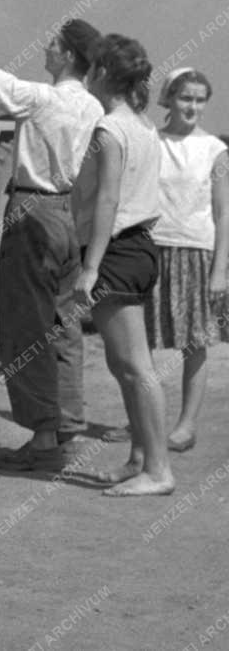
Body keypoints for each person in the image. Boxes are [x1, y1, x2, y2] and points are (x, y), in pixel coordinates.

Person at [0, 0, 102, 470]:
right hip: (75, 216)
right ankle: (67, 427)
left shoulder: (42, 99)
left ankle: (44, 442)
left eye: (54, 42)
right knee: (64, 327)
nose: (46, 47)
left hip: (33, 215)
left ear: (68, 55)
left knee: (26, 329)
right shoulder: (94, 108)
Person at [72, 34, 174, 496]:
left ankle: (158, 471)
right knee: (123, 364)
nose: (86, 76)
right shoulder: (143, 126)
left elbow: (108, 200)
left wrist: (90, 267)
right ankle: (140, 458)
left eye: (92, 68)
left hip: (118, 252)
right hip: (139, 249)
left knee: (136, 366)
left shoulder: (110, 129)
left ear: (104, 75)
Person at [143, 67, 229, 452]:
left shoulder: (216, 150)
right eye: (185, 98)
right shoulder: (152, 142)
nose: (192, 106)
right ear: (169, 99)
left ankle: (186, 426)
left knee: (194, 342)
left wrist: (220, 271)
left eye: (199, 99)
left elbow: (224, 213)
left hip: (196, 251)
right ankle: (144, 421)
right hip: (153, 248)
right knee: (140, 341)